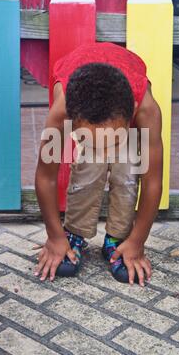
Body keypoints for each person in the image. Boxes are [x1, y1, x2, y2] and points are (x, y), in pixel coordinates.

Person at [34, 42, 163, 287]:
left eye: (111, 142)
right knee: (90, 164)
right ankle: (72, 234)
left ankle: (119, 237)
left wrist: (138, 241)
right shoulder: (60, 111)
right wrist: (54, 236)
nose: (105, 153)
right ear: (71, 118)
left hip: (122, 99)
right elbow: (45, 176)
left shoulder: (146, 110)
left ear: (132, 115)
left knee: (127, 166)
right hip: (87, 96)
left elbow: (152, 180)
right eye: (90, 140)